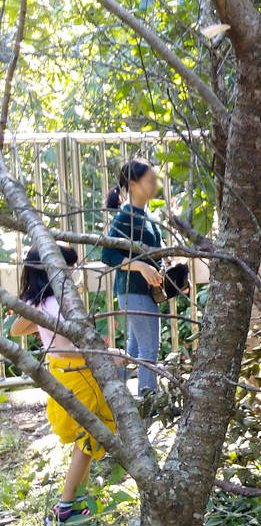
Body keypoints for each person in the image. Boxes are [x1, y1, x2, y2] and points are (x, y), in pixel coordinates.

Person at [9, 245, 116, 523]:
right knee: (92, 433)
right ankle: (65, 506)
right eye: (67, 268)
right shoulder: (56, 304)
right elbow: (68, 348)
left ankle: (80, 496)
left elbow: (16, 329)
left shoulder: (41, 302)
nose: (72, 274)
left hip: (61, 371)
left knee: (87, 434)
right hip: (77, 371)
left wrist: (43, 325)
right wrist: (107, 357)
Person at [101, 158, 165, 396]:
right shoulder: (125, 216)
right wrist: (139, 266)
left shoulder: (145, 215)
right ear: (133, 184)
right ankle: (149, 402)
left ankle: (109, 395)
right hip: (134, 291)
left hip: (143, 292)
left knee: (135, 348)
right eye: (150, 180)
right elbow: (107, 255)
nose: (155, 185)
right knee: (149, 348)